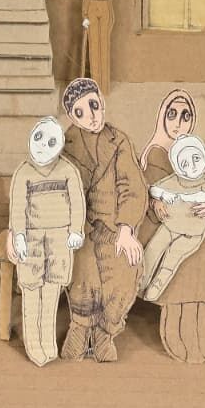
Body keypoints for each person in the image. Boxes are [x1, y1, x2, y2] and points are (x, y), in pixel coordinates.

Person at [60, 77, 148, 362]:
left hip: (114, 226)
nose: (91, 116)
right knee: (83, 272)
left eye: (94, 106)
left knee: (125, 271)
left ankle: (105, 331)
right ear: (71, 116)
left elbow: (132, 187)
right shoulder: (67, 143)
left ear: (102, 101)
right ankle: (80, 327)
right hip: (82, 226)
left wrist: (126, 229)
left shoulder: (119, 141)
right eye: (80, 112)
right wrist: (73, 227)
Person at [137, 89, 205, 362]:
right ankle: (146, 286)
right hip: (163, 223)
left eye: (185, 116)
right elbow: (145, 189)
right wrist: (155, 203)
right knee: (159, 249)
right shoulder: (155, 155)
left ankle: (197, 323)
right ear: (162, 117)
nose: (178, 122)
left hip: (194, 230)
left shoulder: (197, 155)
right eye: (172, 114)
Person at [7, 117, 86, 367]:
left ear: (60, 145)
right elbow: (17, 208)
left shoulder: (68, 171)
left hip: (59, 238)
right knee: (32, 290)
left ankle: (47, 343)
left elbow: (77, 202)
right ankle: (34, 344)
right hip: (32, 238)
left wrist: (76, 230)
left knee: (52, 289)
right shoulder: (23, 172)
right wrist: (19, 236)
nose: (42, 145)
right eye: (39, 137)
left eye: (51, 142)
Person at [141, 136, 205, 305]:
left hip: (192, 234)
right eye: (185, 163)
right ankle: (140, 283)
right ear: (179, 168)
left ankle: (157, 287)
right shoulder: (174, 180)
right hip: (169, 225)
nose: (192, 165)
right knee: (152, 250)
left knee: (172, 257)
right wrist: (160, 198)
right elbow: (154, 189)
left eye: (196, 158)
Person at [81, 0, 113, 95]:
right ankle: (96, 85)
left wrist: (111, 17)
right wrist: (85, 16)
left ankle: (104, 87)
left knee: (104, 46)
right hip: (92, 8)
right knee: (94, 47)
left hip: (105, 8)